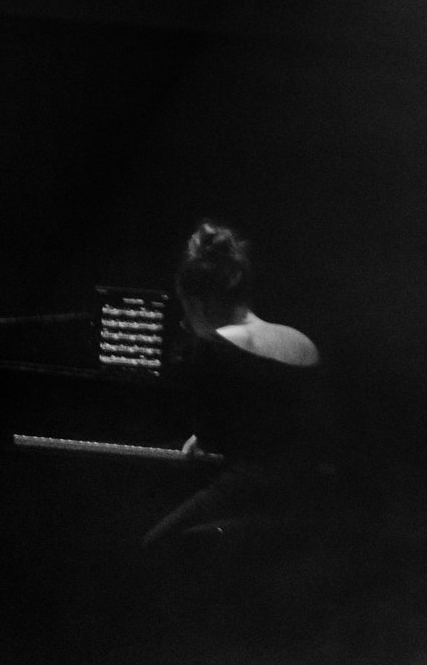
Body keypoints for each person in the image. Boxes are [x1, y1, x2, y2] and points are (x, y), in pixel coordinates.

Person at [142, 220, 339, 550]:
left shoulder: (213, 346)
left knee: (157, 546)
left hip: (249, 490)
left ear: (198, 303)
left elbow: (213, 431)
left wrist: (200, 437)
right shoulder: (302, 341)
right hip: (311, 493)